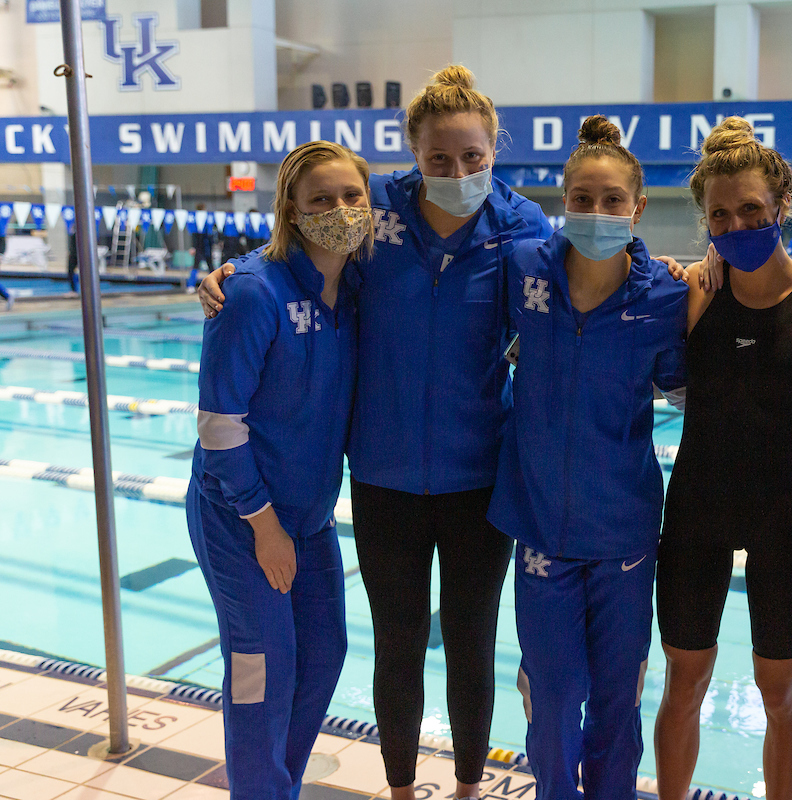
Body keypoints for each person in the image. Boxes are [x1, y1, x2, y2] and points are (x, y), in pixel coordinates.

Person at [199, 65, 554, 800]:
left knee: (469, 647)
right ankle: (397, 790)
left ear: (495, 153)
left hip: (477, 479)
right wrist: (229, 271)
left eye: (474, 158)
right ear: (411, 157)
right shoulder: (376, 212)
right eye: (438, 159)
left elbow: (580, 301)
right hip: (383, 479)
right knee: (394, 645)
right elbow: (301, 251)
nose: (457, 172)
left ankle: (462, 788)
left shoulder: (523, 228)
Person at [487, 115, 689, 800]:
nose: (596, 212)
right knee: (551, 702)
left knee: (616, 703)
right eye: (582, 199)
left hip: (625, 536)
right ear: (561, 201)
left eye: (611, 202)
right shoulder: (522, 270)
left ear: (637, 208)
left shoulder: (663, 295)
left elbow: (694, 389)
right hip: (541, 529)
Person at [186, 140, 371, 800]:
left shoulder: (353, 290)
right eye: (321, 198)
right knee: (261, 671)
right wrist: (263, 525)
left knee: (322, 658)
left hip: (309, 517)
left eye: (352, 196)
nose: (340, 210)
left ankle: (274, 789)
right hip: (241, 517)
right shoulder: (251, 293)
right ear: (291, 210)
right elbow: (218, 425)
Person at [654, 117, 792, 800]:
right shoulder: (693, 292)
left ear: (782, 205)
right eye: (720, 214)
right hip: (697, 510)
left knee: (781, 693)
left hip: (784, 517)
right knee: (684, 680)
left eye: (751, 209)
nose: (736, 223)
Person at [189, 202, 214, 292]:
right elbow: (196, 235)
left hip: (202, 245)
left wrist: (193, 247)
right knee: (208, 266)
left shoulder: (204, 220)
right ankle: (191, 285)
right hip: (203, 245)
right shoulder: (201, 219)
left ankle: (191, 286)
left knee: (202, 266)